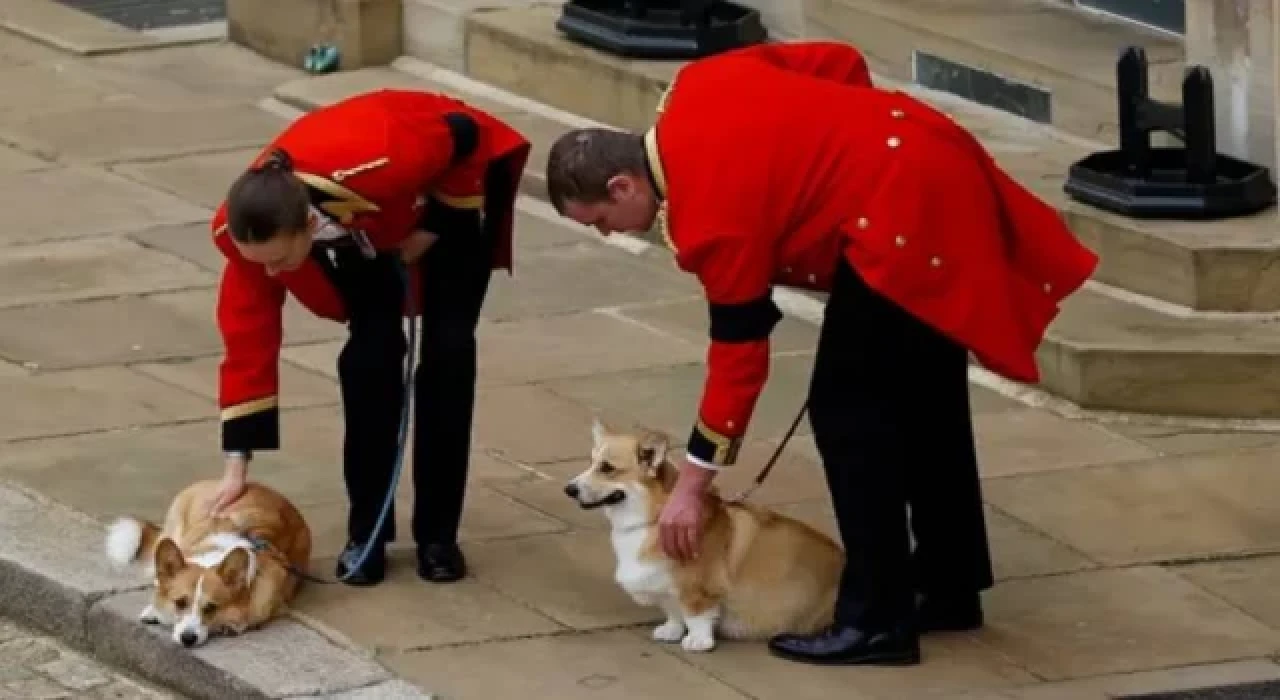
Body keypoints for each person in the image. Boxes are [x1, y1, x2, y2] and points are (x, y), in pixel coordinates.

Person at [543, 41, 1098, 666]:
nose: (609, 233)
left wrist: (692, 486)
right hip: (925, 155)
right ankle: (948, 585)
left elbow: (739, 359)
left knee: (848, 415)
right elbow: (836, 61)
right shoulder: (697, 85)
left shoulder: (711, 217)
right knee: (925, 396)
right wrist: (846, 148)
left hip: (899, 217)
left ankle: (877, 619)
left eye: (600, 220)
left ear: (622, 185)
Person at [208, 89, 530, 587]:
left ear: (307, 225)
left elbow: (465, 140)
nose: (270, 272)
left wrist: (435, 227)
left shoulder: (380, 156)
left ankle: (438, 537)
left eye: (278, 259)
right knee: (369, 361)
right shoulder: (247, 238)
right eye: (262, 262)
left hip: (450, 201)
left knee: (448, 356)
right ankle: (367, 535)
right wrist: (236, 466)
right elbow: (247, 343)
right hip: (368, 235)